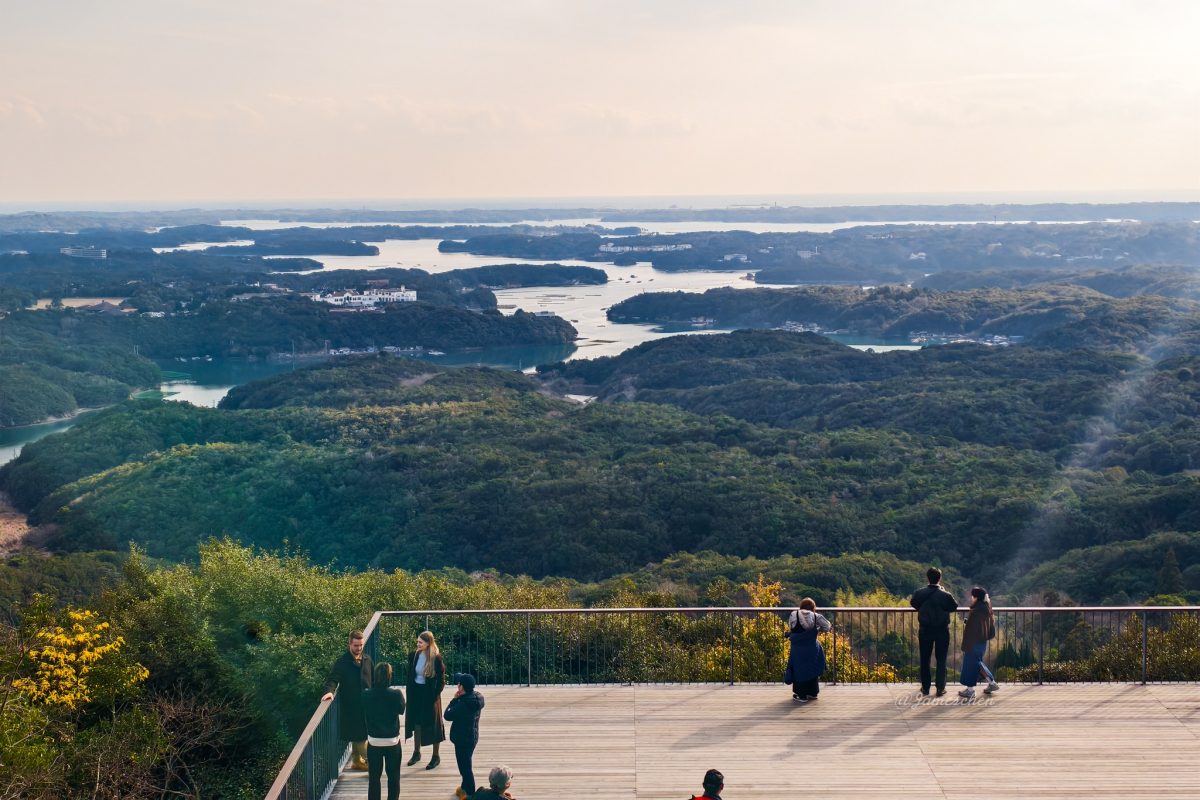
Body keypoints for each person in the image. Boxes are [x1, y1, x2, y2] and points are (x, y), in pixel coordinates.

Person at [321, 630, 373, 770]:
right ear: (349, 644)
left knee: (361, 734)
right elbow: (332, 679)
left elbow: (372, 680)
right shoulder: (342, 662)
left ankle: (356, 761)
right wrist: (329, 692)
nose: (359, 648)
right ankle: (374, 764)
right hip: (351, 707)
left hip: (367, 705)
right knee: (360, 736)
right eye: (356, 645)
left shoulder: (367, 659)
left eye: (361, 645)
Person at [910, 566, 959, 697]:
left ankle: (925, 688)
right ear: (940, 579)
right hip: (942, 631)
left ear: (928, 578)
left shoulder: (920, 593)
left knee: (925, 659)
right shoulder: (945, 595)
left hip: (925, 630)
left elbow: (914, 603)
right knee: (941, 659)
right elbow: (953, 607)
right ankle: (940, 688)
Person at [362, 662, 406, 800]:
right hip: (392, 741)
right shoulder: (396, 694)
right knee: (393, 777)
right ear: (389, 676)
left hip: (374, 741)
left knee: (374, 778)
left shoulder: (366, 694)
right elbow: (401, 710)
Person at [405, 630, 446, 769]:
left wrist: (435, 696)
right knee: (417, 722)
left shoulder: (436, 658)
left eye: (420, 642)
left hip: (430, 695)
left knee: (434, 724)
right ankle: (416, 752)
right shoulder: (415, 655)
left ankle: (436, 756)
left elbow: (441, 681)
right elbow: (411, 673)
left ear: (428, 643)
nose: (418, 644)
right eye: (417, 642)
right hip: (416, 692)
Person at [443, 672, 485, 800]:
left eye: (459, 683)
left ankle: (471, 793)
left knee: (465, 768)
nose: (457, 685)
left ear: (462, 687)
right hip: (472, 736)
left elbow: (447, 715)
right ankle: (464, 787)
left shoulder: (462, 704)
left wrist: (454, 699)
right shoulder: (477, 698)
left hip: (462, 740)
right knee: (466, 764)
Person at [785, 598, 831, 703]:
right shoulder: (816, 616)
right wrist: (817, 630)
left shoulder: (793, 614)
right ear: (813, 608)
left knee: (799, 669)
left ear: (801, 606)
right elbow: (827, 626)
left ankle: (802, 695)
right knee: (812, 666)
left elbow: (791, 629)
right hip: (811, 648)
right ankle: (813, 692)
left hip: (797, 649)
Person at [958, 586, 999, 699]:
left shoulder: (976, 610)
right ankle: (991, 683)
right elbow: (983, 625)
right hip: (982, 640)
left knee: (971, 664)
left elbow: (972, 629)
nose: (971, 598)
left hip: (973, 641)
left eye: (972, 596)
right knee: (976, 663)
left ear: (976, 597)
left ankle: (971, 691)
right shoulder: (986, 607)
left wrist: (966, 644)